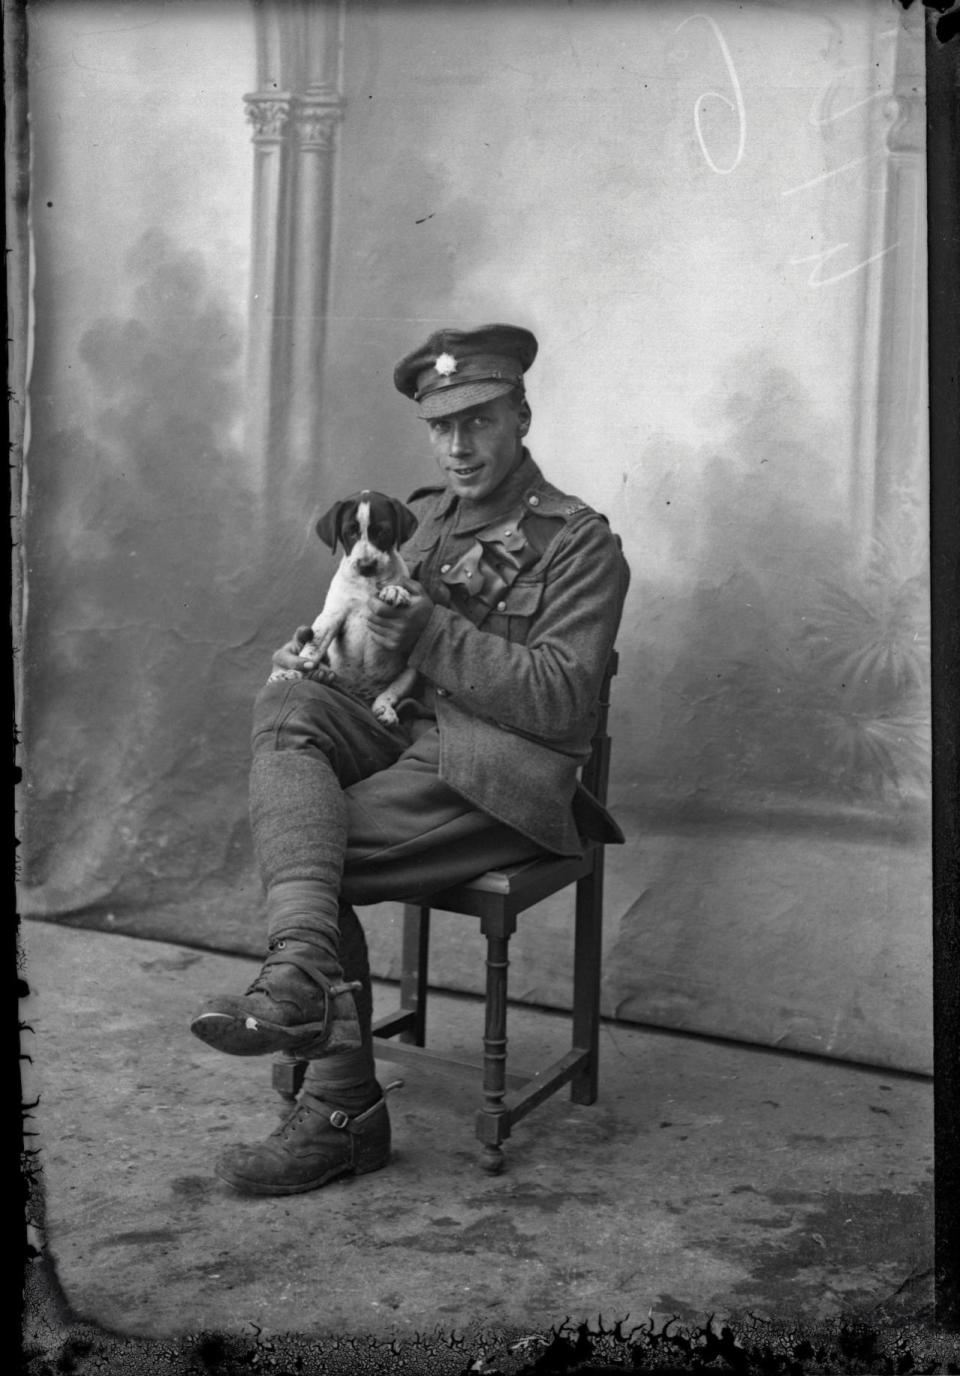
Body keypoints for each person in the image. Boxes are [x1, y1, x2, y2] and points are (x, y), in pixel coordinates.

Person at [191, 323, 630, 1195]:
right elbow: (372, 648)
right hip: (400, 730)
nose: (459, 446)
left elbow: (561, 701)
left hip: (501, 768)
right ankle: (308, 984)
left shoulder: (580, 543)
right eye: (442, 426)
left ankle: (341, 1106)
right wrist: (318, 659)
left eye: (480, 420)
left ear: (522, 416)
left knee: (308, 850)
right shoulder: (419, 520)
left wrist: (429, 628)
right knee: (286, 703)